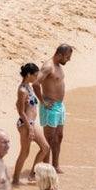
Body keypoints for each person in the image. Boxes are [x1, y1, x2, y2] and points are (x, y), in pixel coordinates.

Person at [34, 44, 73, 173]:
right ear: (60, 54)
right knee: (49, 139)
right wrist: (43, 101)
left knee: (59, 137)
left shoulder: (59, 66)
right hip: (50, 106)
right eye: (67, 57)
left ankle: (55, 165)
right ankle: (46, 168)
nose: (69, 60)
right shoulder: (48, 66)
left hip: (59, 106)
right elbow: (35, 83)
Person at [12, 62, 51, 186]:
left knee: (45, 147)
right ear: (28, 74)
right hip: (26, 124)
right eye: (35, 75)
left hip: (32, 122)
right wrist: (30, 128)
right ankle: (16, 180)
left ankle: (32, 175)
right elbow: (20, 110)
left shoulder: (28, 86)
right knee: (25, 152)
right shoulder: (23, 90)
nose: (36, 77)